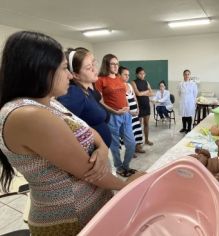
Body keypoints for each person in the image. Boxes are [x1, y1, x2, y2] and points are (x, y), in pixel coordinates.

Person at [0, 31, 142, 235]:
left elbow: (88, 129)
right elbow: (88, 172)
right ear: (40, 69)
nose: (69, 75)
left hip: (91, 209)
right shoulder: (28, 114)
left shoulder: (50, 102)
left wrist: (102, 150)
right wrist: (127, 185)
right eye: (65, 68)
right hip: (70, 220)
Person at [57, 47, 111, 147]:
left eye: (94, 64)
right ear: (76, 75)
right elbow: (62, 131)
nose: (95, 69)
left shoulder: (86, 90)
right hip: (89, 157)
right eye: (89, 68)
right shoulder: (74, 93)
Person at [95, 54, 137, 177]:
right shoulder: (100, 80)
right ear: (106, 64)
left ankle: (126, 166)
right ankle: (119, 167)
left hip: (126, 114)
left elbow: (124, 95)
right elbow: (99, 101)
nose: (115, 66)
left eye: (117, 64)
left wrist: (128, 108)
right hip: (112, 116)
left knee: (131, 143)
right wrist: (114, 111)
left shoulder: (119, 78)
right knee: (114, 145)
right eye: (112, 64)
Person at [118, 66, 145, 154]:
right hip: (127, 114)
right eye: (125, 74)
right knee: (129, 133)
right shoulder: (118, 87)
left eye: (128, 75)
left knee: (137, 130)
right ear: (119, 75)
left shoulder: (129, 85)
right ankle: (130, 151)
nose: (127, 76)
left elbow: (134, 97)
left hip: (135, 113)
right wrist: (130, 112)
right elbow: (121, 103)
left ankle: (137, 147)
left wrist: (137, 108)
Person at [131, 67, 154, 145]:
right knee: (138, 125)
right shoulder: (133, 82)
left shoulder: (146, 82)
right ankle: (138, 143)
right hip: (139, 106)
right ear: (137, 74)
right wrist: (146, 92)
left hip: (146, 105)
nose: (142, 75)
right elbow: (137, 93)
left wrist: (142, 93)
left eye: (144, 73)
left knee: (146, 124)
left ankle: (147, 140)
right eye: (140, 73)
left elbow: (152, 93)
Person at [177, 69, 198, 134]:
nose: (187, 76)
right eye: (185, 74)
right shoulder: (180, 84)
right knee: (183, 115)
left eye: (188, 74)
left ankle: (189, 129)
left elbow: (195, 93)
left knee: (189, 115)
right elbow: (179, 93)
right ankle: (184, 128)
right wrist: (183, 99)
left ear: (190, 75)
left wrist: (193, 101)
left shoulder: (193, 84)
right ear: (183, 75)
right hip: (183, 101)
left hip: (190, 102)